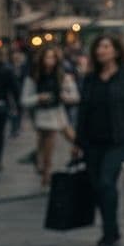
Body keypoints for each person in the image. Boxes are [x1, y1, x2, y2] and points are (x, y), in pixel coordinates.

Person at [71, 36, 124, 246]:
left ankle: (109, 233)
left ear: (116, 51)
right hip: (92, 141)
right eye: (98, 47)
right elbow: (83, 112)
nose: (101, 50)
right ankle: (112, 230)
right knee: (98, 187)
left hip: (121, 140)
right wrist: (77, 142)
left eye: (106, 47)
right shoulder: (90, 79)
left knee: (107, 183)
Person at [21, 46, 78, 188]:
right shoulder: (34, 77)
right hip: (42, 114)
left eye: (53, 57)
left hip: (58, 112)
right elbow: (24, 100)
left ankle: (45, 170)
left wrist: (65, 97)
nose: (50, 61)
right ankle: (46, 172)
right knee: (47, 142)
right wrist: (38, 98)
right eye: (47, 57)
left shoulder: (62, 76)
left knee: (72, 139)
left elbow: (75, 97)